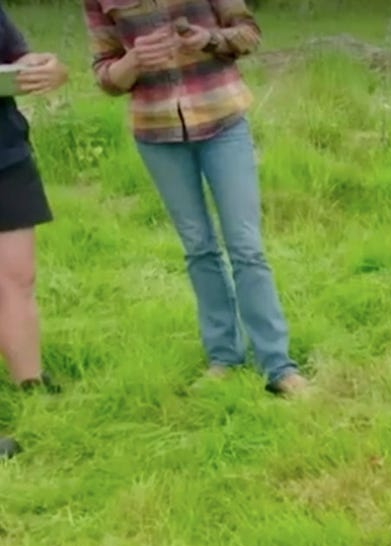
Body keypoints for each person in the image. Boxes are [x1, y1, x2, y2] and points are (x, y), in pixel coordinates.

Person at [81, 0, 308, 396]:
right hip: (156, 133)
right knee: (198, 248)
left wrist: (209, 39)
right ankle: (224, 358)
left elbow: (248, 33)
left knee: (246, 246)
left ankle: (278, 366)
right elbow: (105, 73)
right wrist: (132, 61)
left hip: (223, 121)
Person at [1, 2, 68, 399]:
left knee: (18, 275)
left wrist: (42, 67)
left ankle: (31, 385)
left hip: (4, 152)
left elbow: (14, 56)